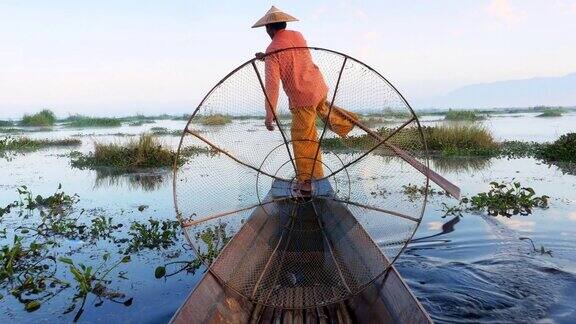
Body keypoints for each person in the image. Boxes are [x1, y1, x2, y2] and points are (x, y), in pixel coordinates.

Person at [253, 6, 358, 194]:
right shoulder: (298, 36)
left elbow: (272, 86)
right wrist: (266, 58)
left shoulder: (273, 50)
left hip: (302, 99)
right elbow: (293, 57)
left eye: (267, 30)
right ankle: (347, 123)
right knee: (323, 108)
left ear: (269, 29)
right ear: (284, 24)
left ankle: (308, 182)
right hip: (318, 87)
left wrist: (270, 115)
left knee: (303, 139)